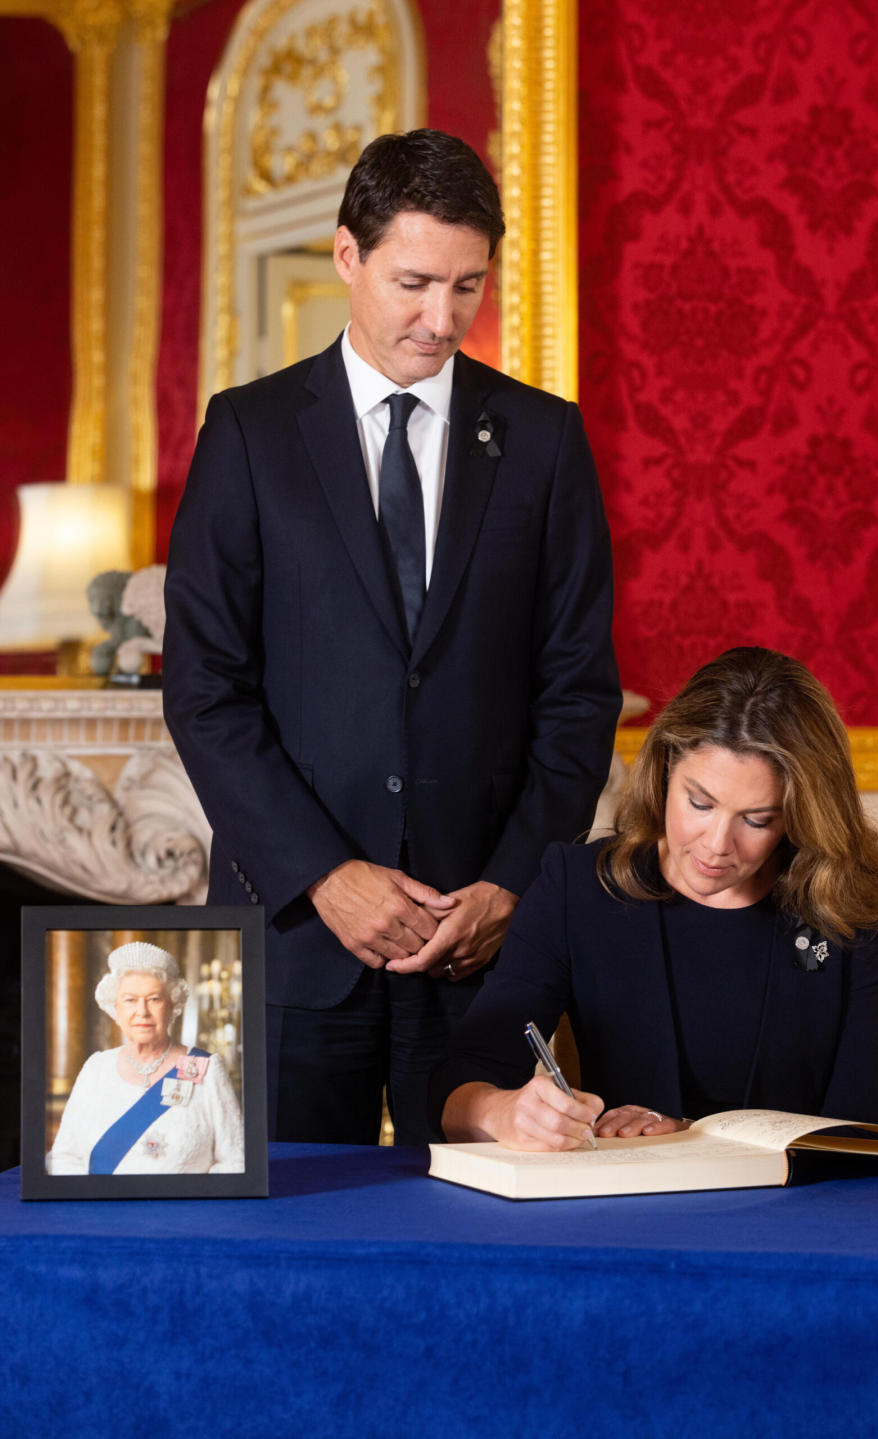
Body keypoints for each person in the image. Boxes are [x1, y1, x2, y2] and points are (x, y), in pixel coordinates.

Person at [162, 129, 620, 1145]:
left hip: (482, 947)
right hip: (290, 939)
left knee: (484, 1257)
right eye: (414, 281)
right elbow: (204, 688)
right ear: (346, 257)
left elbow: (579, 691)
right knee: (274, 1246)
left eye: (468, 286)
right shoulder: (247, 433)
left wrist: (511, 883)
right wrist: (326, 873)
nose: (441, 317)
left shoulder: (544, 442)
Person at [432, 647, 878, 1150]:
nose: (716, 844)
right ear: (665, 769)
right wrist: (501, 1112)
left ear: (799, 814)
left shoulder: (849, 912)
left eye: (756, 820)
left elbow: (869, 1135)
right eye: (699, 803)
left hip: (794, 1218)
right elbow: (459, 1078)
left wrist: (689, 1138)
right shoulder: (576, 888)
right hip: (624, 1214)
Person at [47, 942, 244, 1175]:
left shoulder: (205, 1068)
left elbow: (235, 1162)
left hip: (184, 1210)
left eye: (154, 999)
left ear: (173, 1007)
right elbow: (63, 1158)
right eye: (130, 1000)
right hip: (104, 1209)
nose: (142, 1011)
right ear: (115, 1009)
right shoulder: (96, 1068)